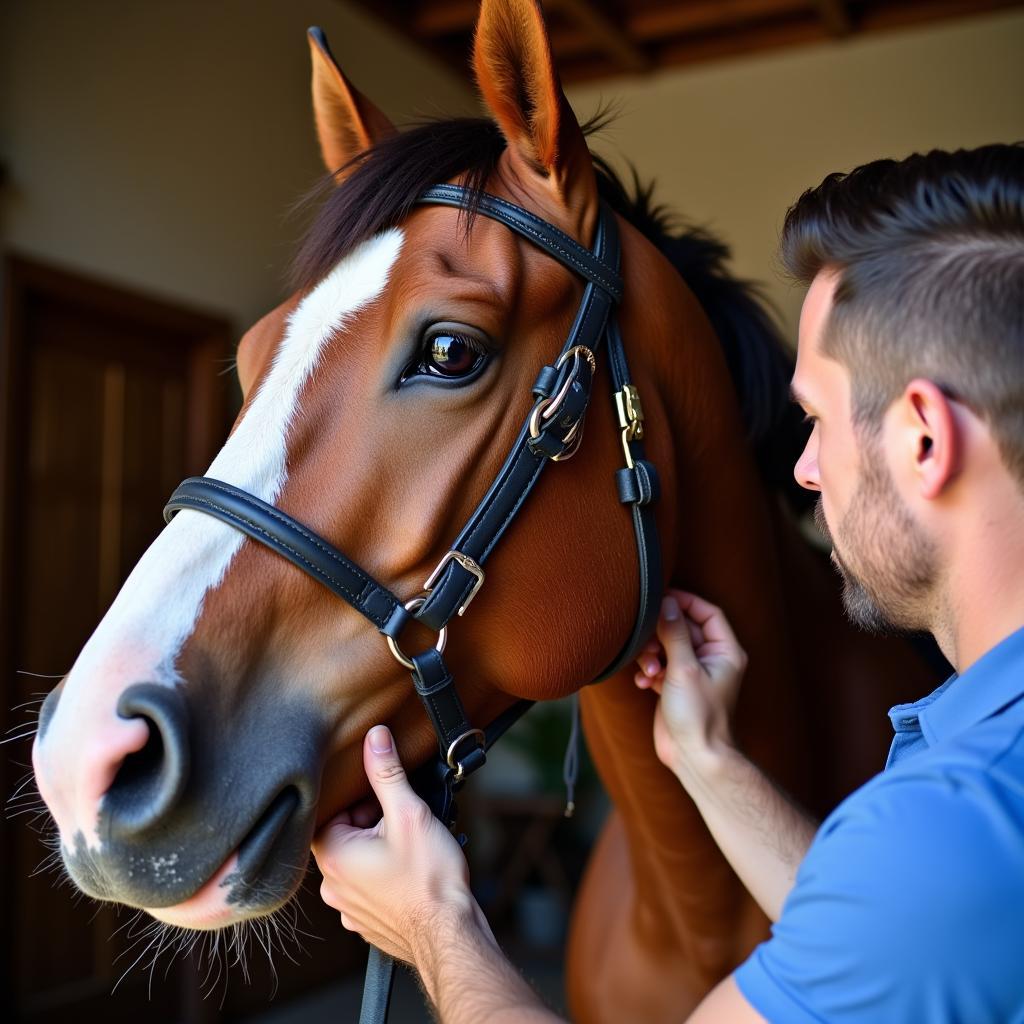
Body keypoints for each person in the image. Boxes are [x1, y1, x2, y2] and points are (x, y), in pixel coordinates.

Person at [312, 143, 1024, 1022]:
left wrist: (433, 925)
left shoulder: (951, 827)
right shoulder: (979, 784)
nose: (801, 470)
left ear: (924, 439)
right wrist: (706, 760)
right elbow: (887, 934)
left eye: (817, 421)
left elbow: (912, 901)